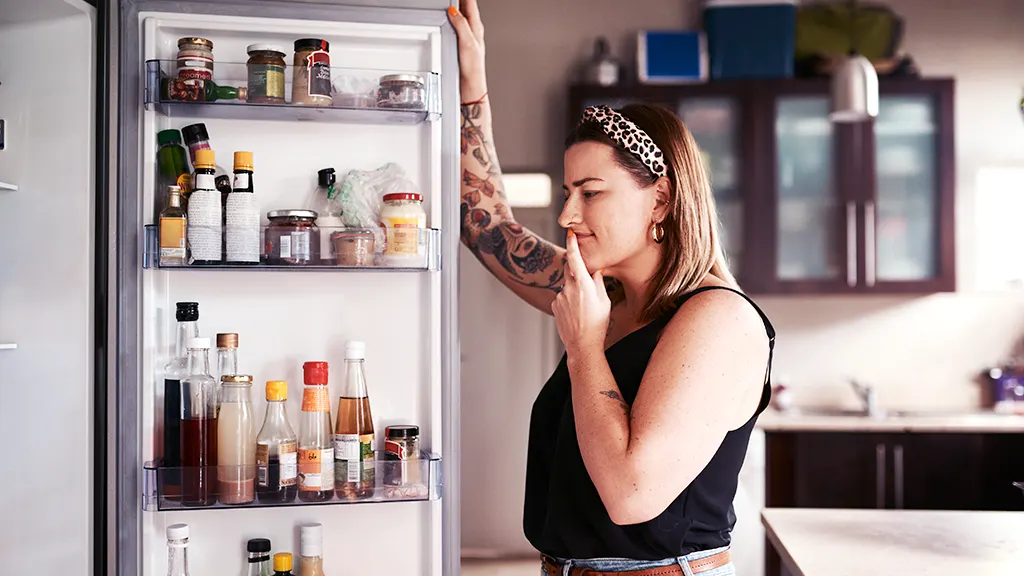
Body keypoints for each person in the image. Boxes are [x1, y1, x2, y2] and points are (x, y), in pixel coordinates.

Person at [449, 2, 775, 574]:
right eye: (567, 192)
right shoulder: (604, 293)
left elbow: (630, 495)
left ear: (663, 200)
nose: (568, 214)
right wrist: (472, 85)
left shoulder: (718, 319)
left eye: (591, 192)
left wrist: (584, 347)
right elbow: (488, 229)